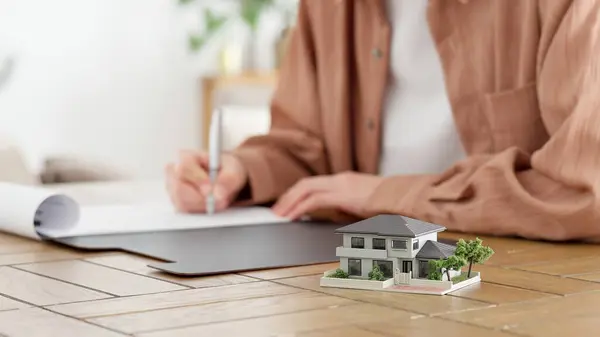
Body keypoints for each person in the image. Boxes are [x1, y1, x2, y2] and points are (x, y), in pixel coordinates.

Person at [166, 0, 600, 242]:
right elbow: (304, 145)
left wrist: (385, 194)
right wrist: (240, 173)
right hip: (359, 267)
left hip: (521, 276)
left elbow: (586, 191)